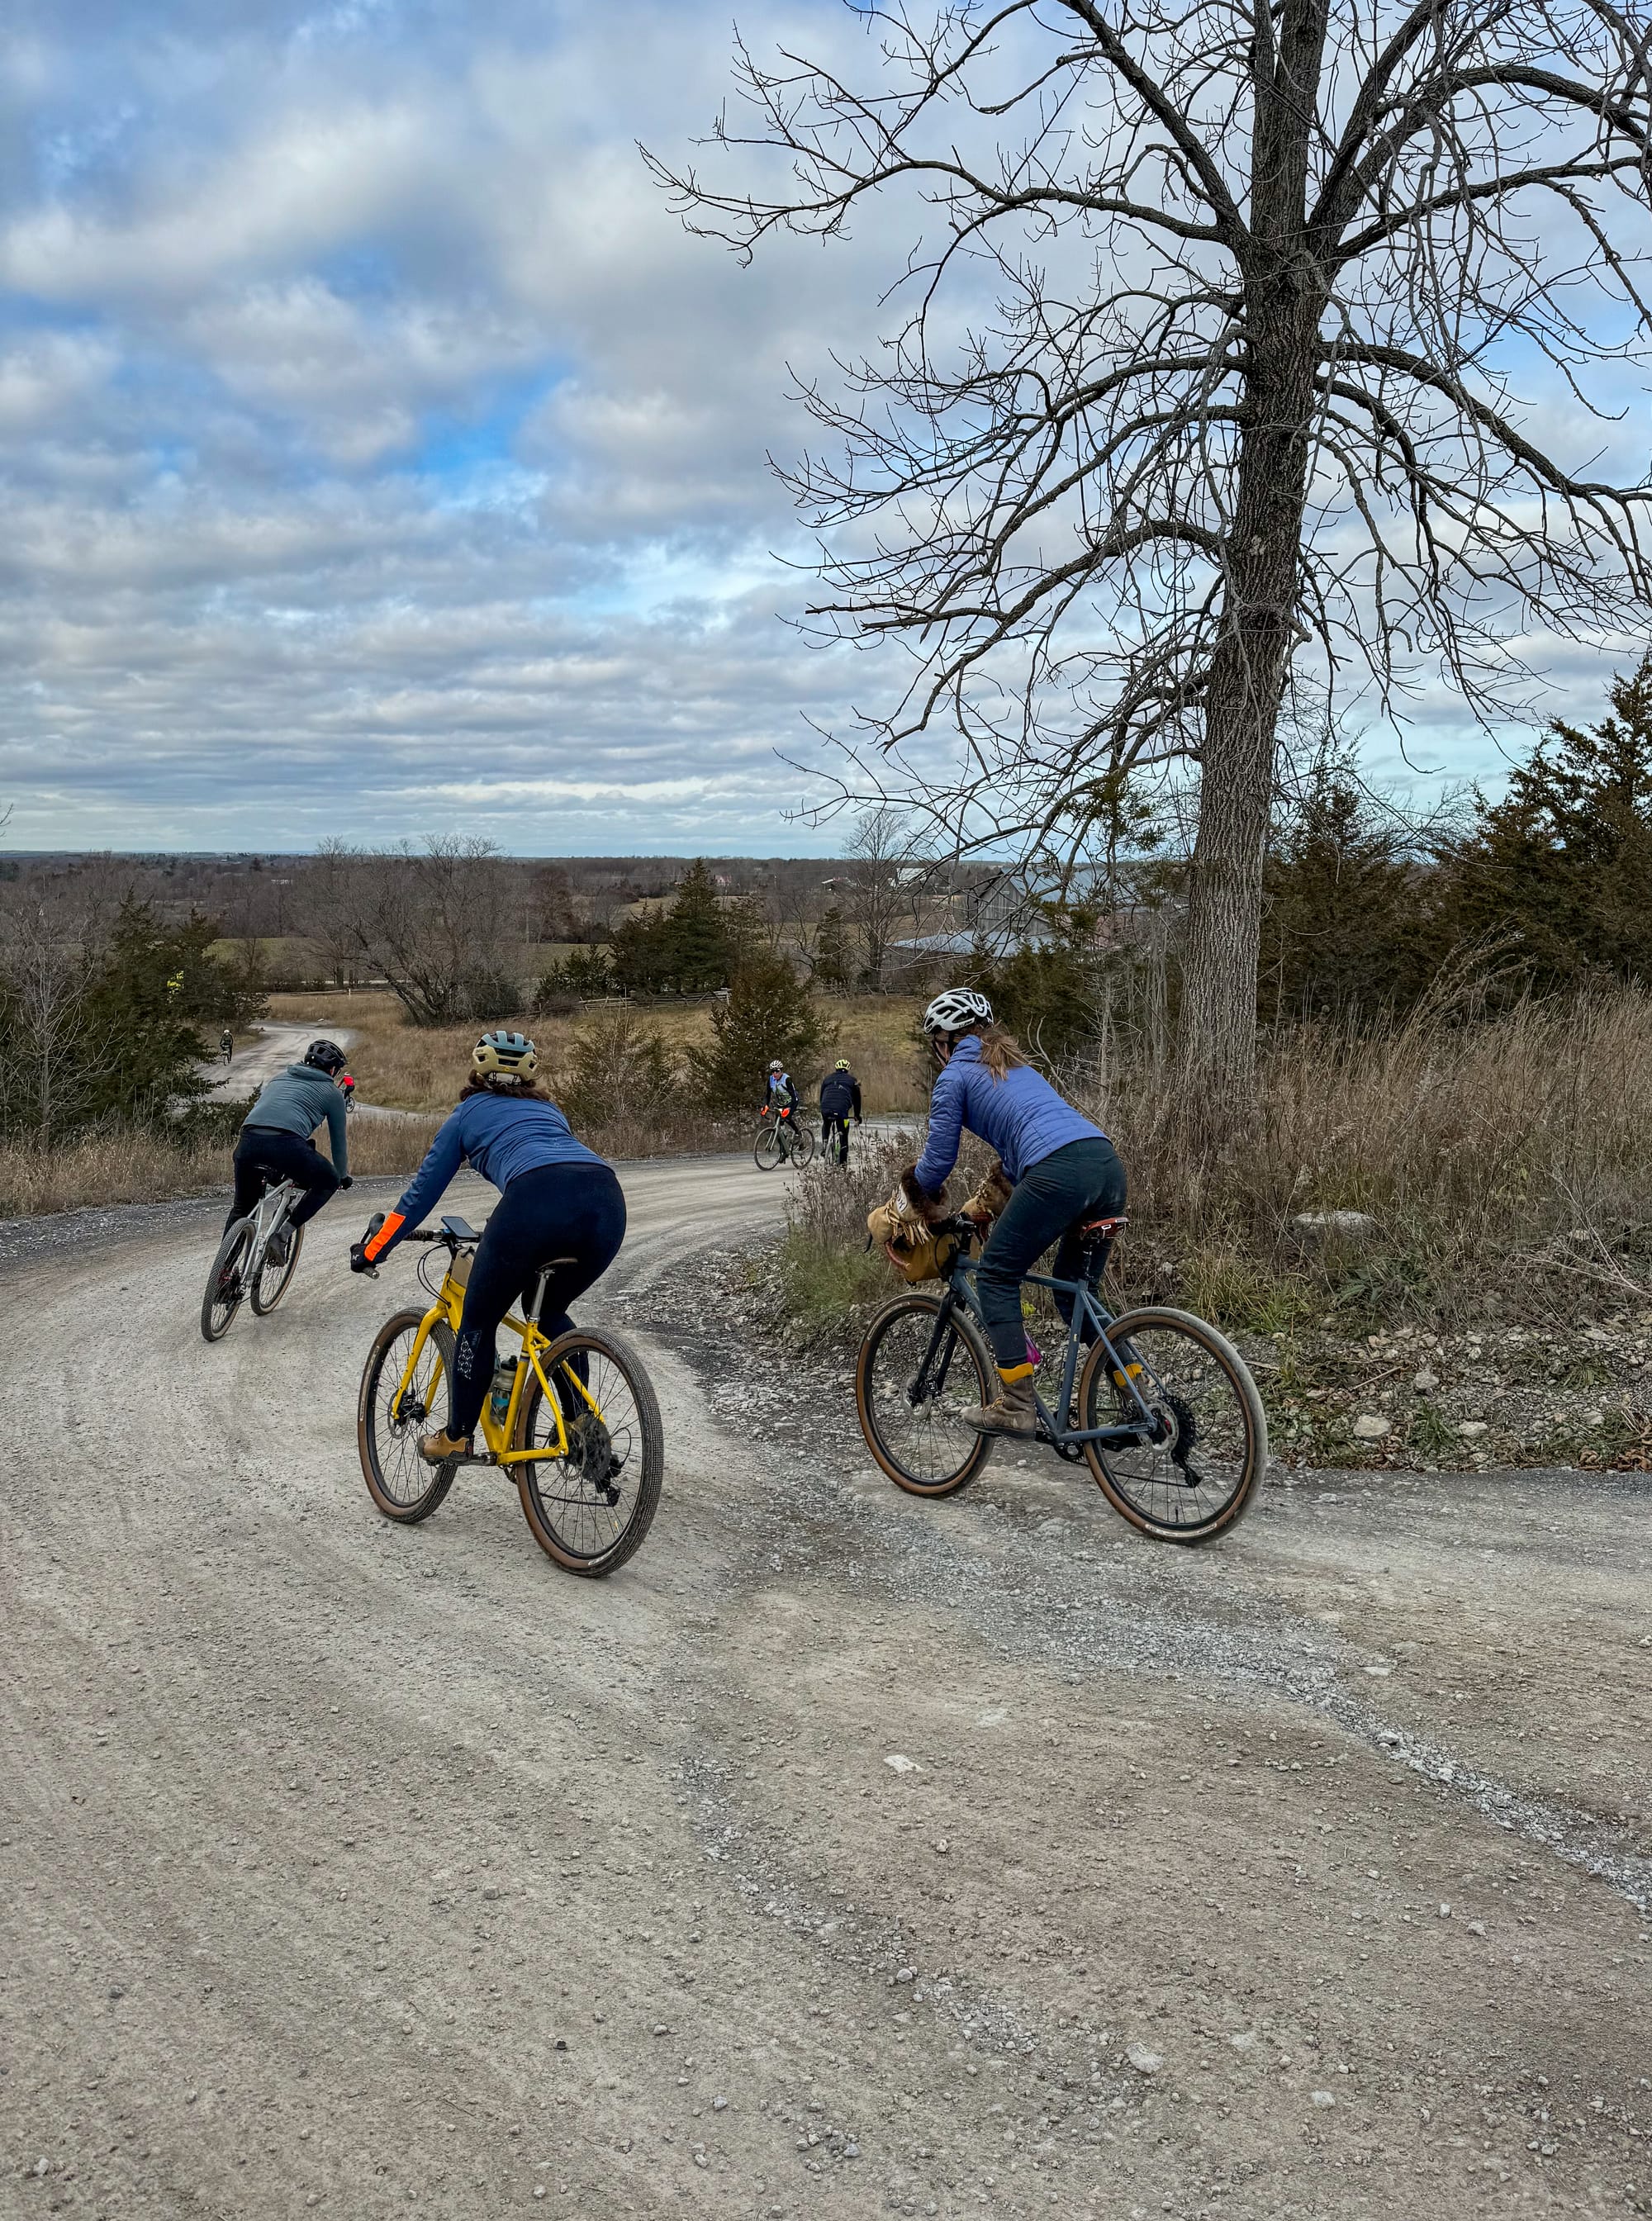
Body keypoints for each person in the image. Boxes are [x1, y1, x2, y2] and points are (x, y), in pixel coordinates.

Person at [350, 1030, 625, 1465]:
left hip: (533, 1202)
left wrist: (374, 1250)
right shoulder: (550, 1110)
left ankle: (457, 1436)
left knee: (478, 1320)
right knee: (551, 1311)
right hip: (607, 1202)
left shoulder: (467, 1113)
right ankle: (579, 1425)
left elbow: (420, 1196)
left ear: (477, 1069)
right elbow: (558, 1164)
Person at [903, 988, 1126, 1439]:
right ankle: (1138, 1391)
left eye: (935, 1043)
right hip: (1105, 1165)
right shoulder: (1016, 1066)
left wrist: (905, 1199)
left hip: (1057, 1171)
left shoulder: (955, 1075)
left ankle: (1017, 1405)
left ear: (944, 1040)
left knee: (997, 1276)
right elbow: (1025, 1139)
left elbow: (938, 1163)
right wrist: (991, 1200)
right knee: (1074, 1296)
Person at [225, 1037, 352, 1243]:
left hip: (248, 1141)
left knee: (243, 1207)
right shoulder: (332, 1093)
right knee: (328, 1180)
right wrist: (342, 1175)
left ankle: (224, 1271)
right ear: (332, 1070)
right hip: (286, 1145)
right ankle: (283, 1236)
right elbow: (339, 1143)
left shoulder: (279, 1079)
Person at [819, 1057, 862, 1166]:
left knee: (826, 1123)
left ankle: (825, 1143)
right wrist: (857, 1115)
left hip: (825, 1107)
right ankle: (843, 1164)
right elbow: (857, 1101)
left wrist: (824, 1108)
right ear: (847, 1069)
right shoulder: (852, 1080)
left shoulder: (827, 1079)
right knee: (843, 1132)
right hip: (841, 1110)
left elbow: (821, 1096)